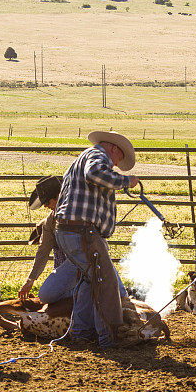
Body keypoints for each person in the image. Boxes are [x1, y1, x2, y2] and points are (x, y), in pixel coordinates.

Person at [54, 131, 140, 348]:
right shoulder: (97, 155)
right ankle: (110, 337)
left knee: (88, 280)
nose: (115, 165)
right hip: (83, 231)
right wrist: (125, 181)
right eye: (117, 160)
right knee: (106, 281)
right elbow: (94, 174)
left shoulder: (81, 159)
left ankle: (82, 333)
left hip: (70, 230)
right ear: (114, 149)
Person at [18, 175, 68, 302]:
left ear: (58, 197)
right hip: (64, 269)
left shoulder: (78, 213)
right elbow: (43, 250)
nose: (45, 206)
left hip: (84, 266)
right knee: (47, 295)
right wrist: (31, 279)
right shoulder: (50, 221)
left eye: (47, 202)